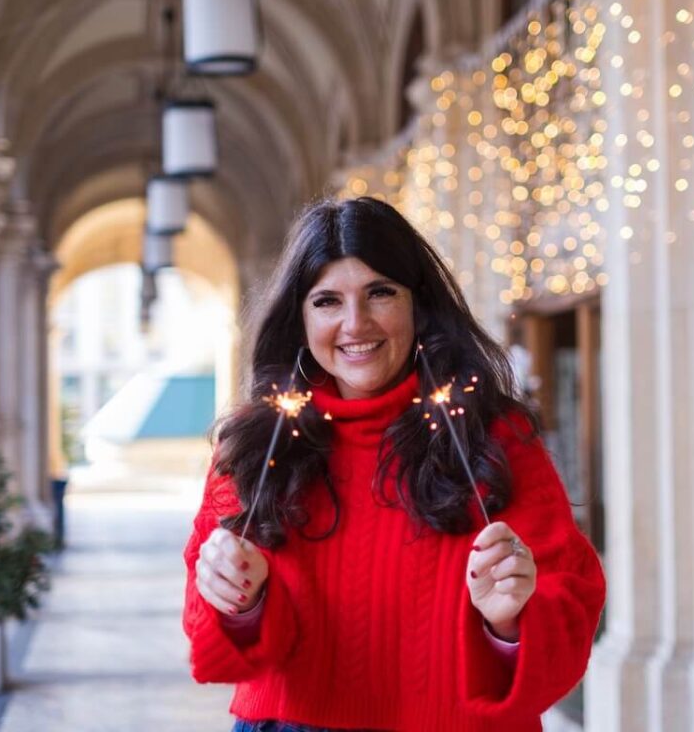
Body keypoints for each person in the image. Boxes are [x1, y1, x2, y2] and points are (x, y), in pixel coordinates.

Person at [183, 197, 605, 732]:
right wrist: (240, 602)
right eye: (327, 301)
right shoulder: (253, 446)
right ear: (300, 317)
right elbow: (209, 640)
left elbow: (569, 604)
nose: (355, 324)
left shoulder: (492, 436)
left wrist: (508, 622)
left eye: (380, 293)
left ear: (418, 304)